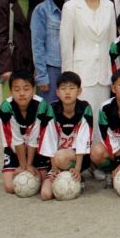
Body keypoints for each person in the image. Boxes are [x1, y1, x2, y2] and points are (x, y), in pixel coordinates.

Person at [60, 0, 116, 138]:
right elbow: (66, 46)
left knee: (102, 118)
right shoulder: (70, 7)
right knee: (84, 119)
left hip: (104, 74)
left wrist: (114, 74)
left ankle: (101, 158)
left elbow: (112, 43)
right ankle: (82, 157)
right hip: (82, 72)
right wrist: (68, 82)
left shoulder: (109, 5)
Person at [36, 71, 94, 201]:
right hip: (56, 160)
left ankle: (78, 177)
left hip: (79, 158)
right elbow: (49, 139)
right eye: (63, 88)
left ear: (79, 91)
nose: (67, 92)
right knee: (46, 195)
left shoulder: (84, 108)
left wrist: (78, 168)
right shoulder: (53, 108)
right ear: (57, 92)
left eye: (72, 88)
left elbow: (83, 139)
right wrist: (55, 169)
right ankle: (63, 173)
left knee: (61, 156)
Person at [0, 0, 44, 100]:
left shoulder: (40, 4)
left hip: (34, 65)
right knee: (12, 109)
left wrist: (39, 66)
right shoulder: (4, 4)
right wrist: (6, 68)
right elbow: (0, 37)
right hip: (13, 64)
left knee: (34, 108)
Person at [0, 70, 49, 193]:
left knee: (41, 184)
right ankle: (19, 164)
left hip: (37, 149)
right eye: (17, 90)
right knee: (10, 188)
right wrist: (23, 166)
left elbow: (35, 137)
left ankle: (34, 164)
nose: (22, 93)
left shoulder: (41, 105)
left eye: (26, 89)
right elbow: (15, 139)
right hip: (15, 150)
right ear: (10, 92)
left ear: (33, 90)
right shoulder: (6, 108)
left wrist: (29, 164)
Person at [31, 0, 69, 104]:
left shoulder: (73, 7)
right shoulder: (41, 11)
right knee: (50, 112)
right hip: (51, 69)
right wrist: (42, 76)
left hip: (71, 67)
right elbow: (37, 45)